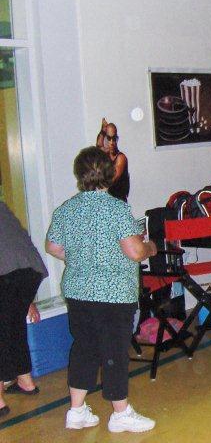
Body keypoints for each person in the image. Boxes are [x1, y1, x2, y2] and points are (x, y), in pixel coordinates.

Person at [46, 146, 158, 432]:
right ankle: (120, 414)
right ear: (110, 174)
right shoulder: (116, 209)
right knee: (114, 351)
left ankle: (77, 411)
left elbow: (53, 247)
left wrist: (80, 258)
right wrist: (151, 247)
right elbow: (134, 251)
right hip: (113, 294)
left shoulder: (67, 209)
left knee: (84, 347)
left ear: (80, 174)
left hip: (78, 292)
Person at [0, 202, 48, 418]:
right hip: (30, 269)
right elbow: (17, 242)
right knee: (14, 325)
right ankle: (25, 380)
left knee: (2, 332)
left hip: (6, 272)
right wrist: (27, 301)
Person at [96, 118, 130, 202]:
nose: (111, 142)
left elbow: (112, 179)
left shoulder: (121, 158)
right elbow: (98, 147)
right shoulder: (106, 153)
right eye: (109, 138)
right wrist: (102, 131)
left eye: (114, 138)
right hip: (109, 201)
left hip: (119, 202)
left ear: (116, 139)